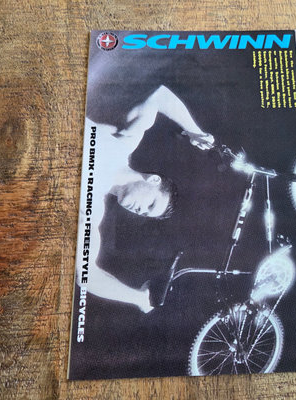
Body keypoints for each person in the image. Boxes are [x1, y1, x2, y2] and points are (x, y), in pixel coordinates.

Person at [76, 85, 214, 313]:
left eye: (144, 213)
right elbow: (158, 95)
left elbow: (87, 275)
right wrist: (194, 131)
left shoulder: (92, 210)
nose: (140, 211)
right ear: (153, 180)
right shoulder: (123, 141)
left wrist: (139, 298)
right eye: (150, 204)